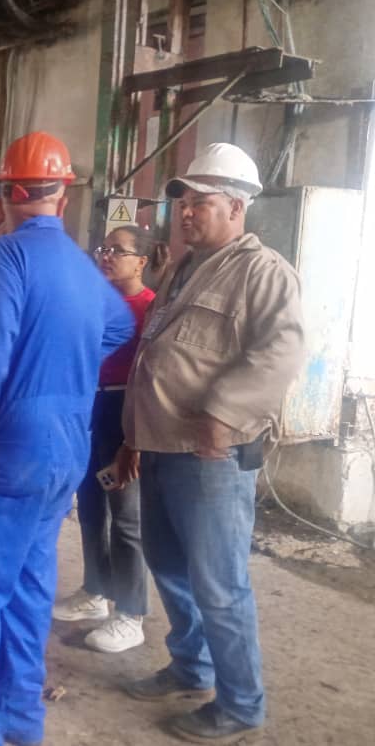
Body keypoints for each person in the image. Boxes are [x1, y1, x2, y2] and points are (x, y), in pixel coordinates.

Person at [0, 131, 135, 746]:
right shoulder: (80, 263)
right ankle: (21, 722)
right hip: (64, 449)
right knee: (27, 587)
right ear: (63, 196)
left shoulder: (4, 257)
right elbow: (121, 323)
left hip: (1, 451)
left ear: (8, 193)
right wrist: (60, 365)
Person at [120, 143, 305, 743]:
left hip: (211, 455)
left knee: (221, 585)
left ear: (236, 207)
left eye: (201, 203)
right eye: (184, 203)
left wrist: (222, 417)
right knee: (169, 566)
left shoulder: (263, 272)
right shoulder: (181, 266)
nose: (186, 214)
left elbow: (280, 354)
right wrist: (134, 436)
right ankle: (191, 665)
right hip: (164, 444)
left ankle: (241, 703)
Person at [52, 225, 156, 653]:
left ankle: (130, 615)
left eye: (119, 250)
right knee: (92, 507)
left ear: (142, 261)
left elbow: (151, 376)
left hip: (124, 411)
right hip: (88, 408)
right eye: (104, 248)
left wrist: (134, 437)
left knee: (127, 518)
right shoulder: (94, 300)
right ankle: (95, 592)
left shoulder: (151, 307)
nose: (107, 256)